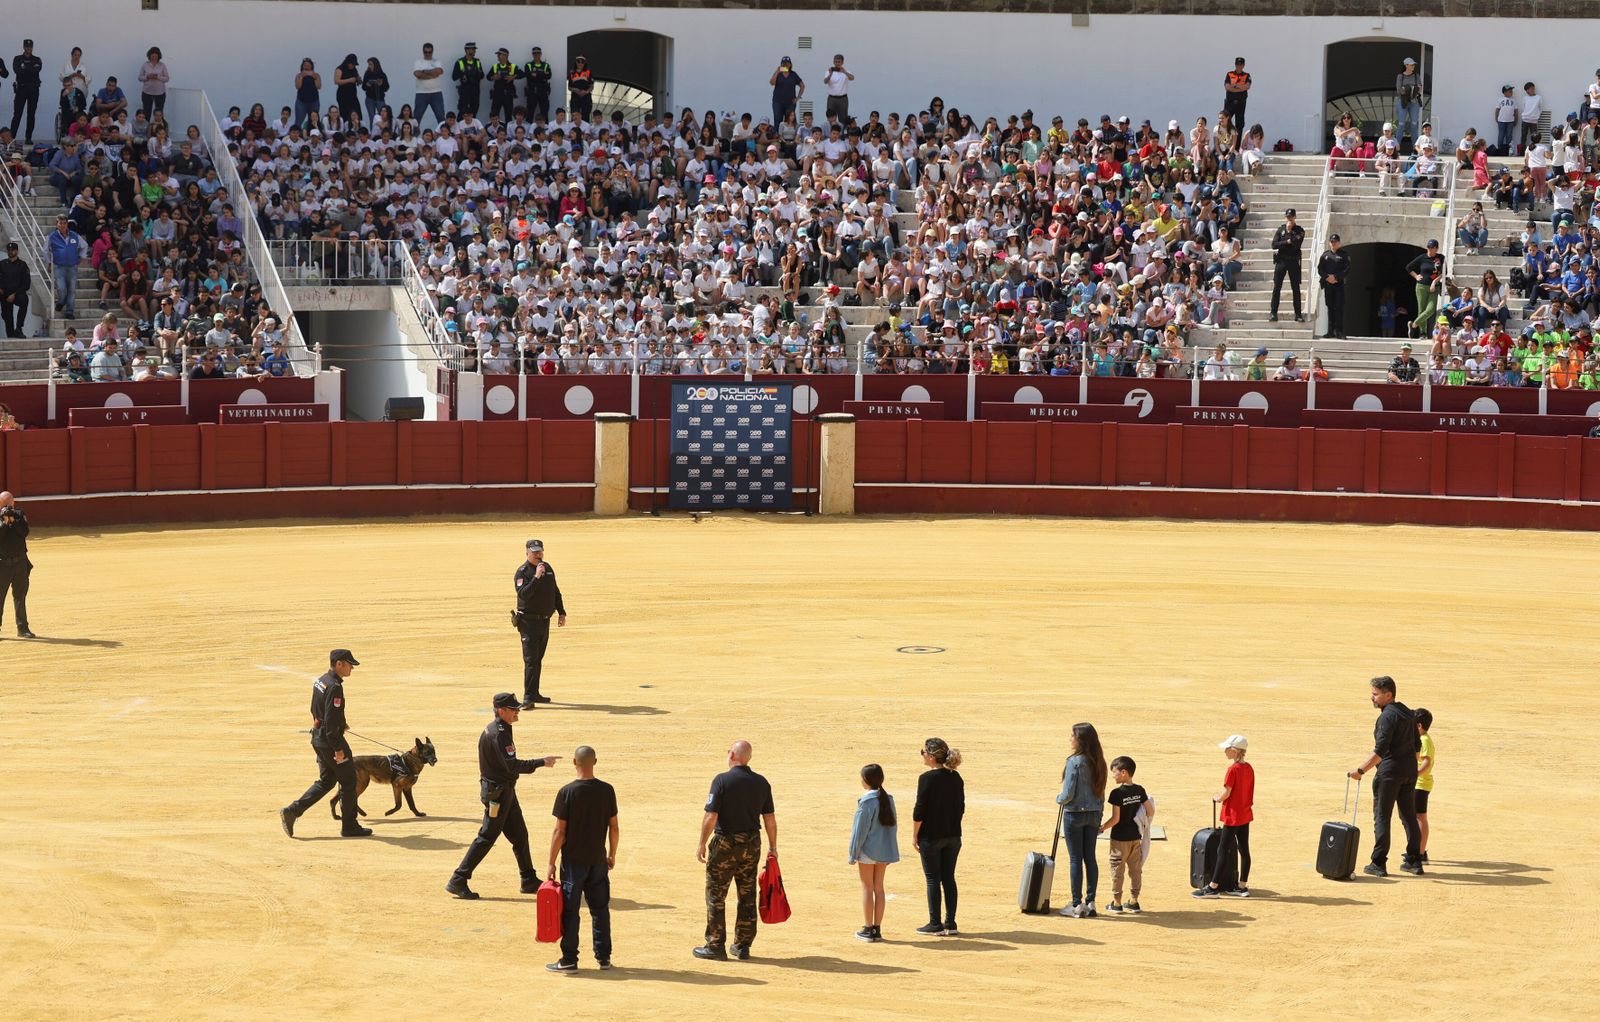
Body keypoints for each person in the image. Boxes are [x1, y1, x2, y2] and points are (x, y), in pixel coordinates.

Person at [448, 692, 560, 899]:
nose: (518, 711)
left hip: (504, 791)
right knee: (487, 836)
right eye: (513, 709)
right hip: (498, 794)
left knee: (519, 834)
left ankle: (528, 878)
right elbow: (512, 766)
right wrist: (541, 762)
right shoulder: (498, 734)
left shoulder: (500, 729)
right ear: (501, 711)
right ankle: (458, 879)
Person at [695, 739, 777, 961]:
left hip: (725, 843)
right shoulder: (761, 783)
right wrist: (773, 847)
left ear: (732, 755)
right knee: (747, 894)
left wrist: (702, 842)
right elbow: (769, 818)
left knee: (716, 895)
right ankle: (742, 946)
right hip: (751, 843)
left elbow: (711, 816)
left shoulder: (722, 780)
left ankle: (715, 945)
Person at [278, 650, 369, 838]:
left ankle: (292, 811)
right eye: (349, 664)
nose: (352, 668)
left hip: (318, 738)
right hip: (330, 741)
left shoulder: (321, 680)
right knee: (349, 780)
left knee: (327, 781)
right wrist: (338, 749)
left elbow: (315, 709)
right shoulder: (335, 686)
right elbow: (331, 718)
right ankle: (349, 826)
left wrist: (338, 724)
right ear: (338, 664)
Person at [546, 745, 619, 973]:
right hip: (597, 860)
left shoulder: (567, 792)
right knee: (600, 910)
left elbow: (560, 831)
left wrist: (551, 861)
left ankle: (569, 959)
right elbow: (614, 827)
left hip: (573, 862)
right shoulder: (607, 790)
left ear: (574, 762)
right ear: (594, 762)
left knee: (570, 911)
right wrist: (611, 854)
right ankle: (603, 957)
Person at [1347, 675, 1424, 877]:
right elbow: (1418, 746)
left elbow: (1380, 751)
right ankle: (1414, 861)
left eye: (1375, 694)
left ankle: (1378, 863)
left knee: (1382, 816)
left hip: (1390, 774)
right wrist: (1406, 765)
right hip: (1409, 772)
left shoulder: (1387, 717)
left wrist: (1360, 770)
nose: (1372, 698)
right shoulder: (1409, 713)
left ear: (1388, 695)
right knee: (1408, 815)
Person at [912, 737, 964, 937]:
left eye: (923, 752)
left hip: (931, 837)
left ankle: (935, 924)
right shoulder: (956, 777)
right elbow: (961, 808)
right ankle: (950, 923)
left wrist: (915, 834)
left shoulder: (926, 778)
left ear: (932, 757)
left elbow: (920, 810)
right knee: (948, 878)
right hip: (953, 836)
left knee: (933, 879)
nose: (922, 755)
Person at [1054, 722, 1107, 919]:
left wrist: (1058, 799)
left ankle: (1076, 904)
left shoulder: (1074, 762)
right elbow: (1101, 792)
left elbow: (1068, 794)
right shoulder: (1099, 761)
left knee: (1075, 858)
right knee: (1090, 857)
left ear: (1081, 740)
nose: (1070, 739)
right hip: (1094, 814)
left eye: (1072, 736)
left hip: (1074, 814)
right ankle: (1091, 902)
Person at [1195, 735, 1254, 898]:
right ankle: (1241, 886)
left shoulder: (1232, 770)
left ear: (1234, 751)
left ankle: (1213, 887)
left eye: (1227, 749)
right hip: (1245, 813)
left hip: (1232, 815)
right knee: (1244, 849)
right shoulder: (1248, 768)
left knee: (1223, 849)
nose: (1225, 751)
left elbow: (1226, 793)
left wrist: (1217, 798)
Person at [848, 763, 899, 943]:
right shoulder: (888, 799)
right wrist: (890, 851)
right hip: (884, 851)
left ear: (865, 780)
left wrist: (853, 854)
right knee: (879, 887)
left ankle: (868, 928)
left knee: (867, 888)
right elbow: (893, 828)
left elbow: (859, 832)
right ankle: (877, 928)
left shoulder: (867, 802)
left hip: (868, 851)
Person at [514, 538, 567, 709]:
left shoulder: (548, 568)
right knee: (530, 660)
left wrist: (561, 611)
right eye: (534, 552)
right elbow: (523, 594)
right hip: (528, 622)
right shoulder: (522, 572)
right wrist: (536, 578)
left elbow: (555, 591)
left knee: (538, 658)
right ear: (527, 553)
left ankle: (535, 692)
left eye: (540, 551)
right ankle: (528, 697)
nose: (538, 555)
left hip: (544, 621)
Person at [1103, 756, 1150, 914]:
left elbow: (1115, 819)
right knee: (1135, 869)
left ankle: (1117, 903)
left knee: (1117, 869)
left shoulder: (1117, 793)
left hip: (1119, 838)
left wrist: (1102, 827)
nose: (1113, 775)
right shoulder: (1139, 790)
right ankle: (1134, 901)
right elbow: (1149, 811)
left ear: (1123, 772)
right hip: (1135, 837)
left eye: (1114, 772)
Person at [0, 491, 34, 638]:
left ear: (13, 503)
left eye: (9, 504)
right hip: (2, 564)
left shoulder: (20, 515)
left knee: (20, 595)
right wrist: (5, 523)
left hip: (19, 562)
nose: (8, 507)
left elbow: (24, 533)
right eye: (4, 505)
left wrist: (13, 521)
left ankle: (22, 628)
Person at [1269, 208, 1304, 322]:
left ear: (1295, 217)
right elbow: (1274, 245)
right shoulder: (1281, 229)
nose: (1289, 219)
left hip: (1293, 261)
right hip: (1281, 261)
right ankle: (1273, 313)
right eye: (1288, 217)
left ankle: (1298, 314)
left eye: (1291, 217)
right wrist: (1287, 241)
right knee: (1277, 287)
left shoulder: (1300, 230)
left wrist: (1289, 235)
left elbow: (1296, 244)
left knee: (1296, 288)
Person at [9, 39, 43, 143]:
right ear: (23, 47)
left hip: (33, 89)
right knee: (17, 114)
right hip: (21, 89)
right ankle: (12, 138)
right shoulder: (17, 59)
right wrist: (30, 68)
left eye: (30, 47)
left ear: (32, 47)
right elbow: (17, 71)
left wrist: (25, 69)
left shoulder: (37, 59)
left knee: (31, 114)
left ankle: (28, 138)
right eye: (27, 46)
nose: (28, 48)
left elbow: (36, 70)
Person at [1409, 239, 1445, 336]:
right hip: (1421, 286)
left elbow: (1444, 273)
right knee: (1421, 309)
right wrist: (1416, 276)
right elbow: (1409, 267)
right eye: (1428, 247)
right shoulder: (1422, 257)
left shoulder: (1441, 258)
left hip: (1434, 287)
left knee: (1430, 309)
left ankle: (1414, 324)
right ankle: (1422, 332)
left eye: (1432, 247)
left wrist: (1434, 282)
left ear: (1437, 248)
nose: (1429, 249)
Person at [1317, 233, 1350, 338]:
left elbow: (1347, 269)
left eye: (1335, 242)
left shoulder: (1344, 255)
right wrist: (1327, 277)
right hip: (1328, 285)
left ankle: (1339, 332)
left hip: (1338, 285)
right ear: (1329, 243)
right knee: (1330, 307)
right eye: (1331, 242)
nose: (1333, 244)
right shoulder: (1325, 255)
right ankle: (1330, 331)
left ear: (1339, 243)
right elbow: (1320, 269)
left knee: (1339, 308)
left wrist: (1335, 277)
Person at [1414, 708, 1435, 865]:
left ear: (1419, 726)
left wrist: (1414, 774)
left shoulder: (1424, 740)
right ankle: (1419, 850)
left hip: (1420, 784)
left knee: (1420, 817)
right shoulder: (1423, 739)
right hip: (1420, 783)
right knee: (1417, 817)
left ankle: (1420, 853)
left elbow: (1426, 762)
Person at [412, 42, 446, 127]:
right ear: (422, 52)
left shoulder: (437, 61)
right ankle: (413, 138)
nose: (427, 54)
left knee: (441, 118)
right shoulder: (418, 62)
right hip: (421, 93)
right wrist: (432, 75)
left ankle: (444, 138)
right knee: (416, 119)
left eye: (429, 52)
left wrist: (424, 71)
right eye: (425, 52)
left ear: (432, 52)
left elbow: (439, 71)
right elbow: (417, 74)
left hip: (436, 93)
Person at [0, 242, 29, 339]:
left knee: (24, 300)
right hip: (3, 294)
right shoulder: (2, 264)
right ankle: (11, 334)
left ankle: (19, 328)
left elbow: (26, 284)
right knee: (6, 316)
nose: (10, 252)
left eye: (12, 250)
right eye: (9, 250)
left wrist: (14, 294)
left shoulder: (22, 265)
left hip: (17, 294)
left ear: (17, 251)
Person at [1395, 57, 1422, 148]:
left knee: (1414, 124)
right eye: (1412, 65)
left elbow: (1419, 89)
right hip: (1403, 102)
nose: (1413, 66)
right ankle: (1396, 147)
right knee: (1401, 124)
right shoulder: (1400, 76)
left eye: (1414, 65)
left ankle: (1416, 148)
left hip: (1414, 102)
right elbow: (1399, 90)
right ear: (1406, 65)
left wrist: (1406, 88)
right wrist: (1411, 88)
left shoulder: (1416, 75)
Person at [136, 46, 169, 122]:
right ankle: (146, 129)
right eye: (152, 56)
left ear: (158, 56)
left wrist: (158, 77)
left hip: (160, 93)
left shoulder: (162, 65)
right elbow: (139, 77)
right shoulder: (145, 65)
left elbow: (167, 78)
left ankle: (160, 131)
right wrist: (147, 77)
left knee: (159, 112)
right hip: (147, 93)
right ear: (149, 56)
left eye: (156, 56)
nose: (154, 57)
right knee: (146, 112)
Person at [770, 56, 803, 128]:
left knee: (789, 120)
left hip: (790, 103)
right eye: (784, 63)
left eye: (787, 63)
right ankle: (777, 136)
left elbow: (802, 86)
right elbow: (772, 83)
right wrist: (777, 71)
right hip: (778, 102)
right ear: (781, 64)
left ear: (790, 64)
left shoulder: (793, 74)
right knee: (777, 120)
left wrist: (798, 97)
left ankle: (788, 137)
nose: (786, 65)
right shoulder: (778, 74)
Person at [452, 42, 483, 118]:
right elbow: (454, 77)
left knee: (474, 112)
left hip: (475, 91)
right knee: (463, 112)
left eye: (474, 49)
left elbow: (482, 76)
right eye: (472, 49)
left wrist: (477, 72)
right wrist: (463, 73)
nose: (474, 51)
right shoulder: (460, 62)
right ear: (467, 50)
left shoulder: (477, 62)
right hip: (465, 91)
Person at [488, 48, 518, 124]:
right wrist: (493, 77)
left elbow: (522, 74)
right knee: (494, 114)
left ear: (505, 56)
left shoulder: (512, 66)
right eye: (498, 54)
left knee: (508, 114)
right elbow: (488, 77)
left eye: (499, 54)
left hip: (508, 94)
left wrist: (513, 77)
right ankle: (496, 132)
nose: (497, 56)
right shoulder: (495, 66)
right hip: (497, 94)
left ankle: (508, 132)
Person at [522, 47, 552, 121]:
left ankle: (545, 131)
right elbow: (529, 76)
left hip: (543, 91)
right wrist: (542, 74)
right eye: (534, 53)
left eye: (538, 53)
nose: (536, 55)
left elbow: (549, 76)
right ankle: (529, 131)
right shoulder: (528, 65)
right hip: (532, 91)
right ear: (532, 54)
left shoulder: (546, 65)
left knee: (544, 113)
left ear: (541, 54)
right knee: (529, 113)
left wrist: (536, 74)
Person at [822, 54, 853, 125]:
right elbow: (825, 81)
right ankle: (831, 134)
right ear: (833, 62)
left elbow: (852, 78)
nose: (837, 63)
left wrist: (844, 72)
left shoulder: (846, 71)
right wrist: (830, 74)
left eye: (839, 62)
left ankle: (842, 134)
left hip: (843, 99)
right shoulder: (828, 72)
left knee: (843, 118)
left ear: (842, 62)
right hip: (832, 98)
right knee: (831, 117)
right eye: (835, 62)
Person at [1223, 57, 1251, 132]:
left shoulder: (1247, 75)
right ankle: (1224, 143)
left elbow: (1247, 86)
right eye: (1237, 64)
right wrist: (1240, 88)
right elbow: (1227, 87)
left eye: (1241, 64)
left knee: (1240, 124)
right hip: (1229, 103)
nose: (1239, 66)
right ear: (1235, 65)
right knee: (1225, 123)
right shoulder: (1229, 74)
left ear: (1244, 65)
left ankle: (1237, 144)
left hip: (1241, 103)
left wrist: (1235, 86)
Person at [1493, 84, 1519, 156]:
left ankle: (1509, 151)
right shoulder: (1500, 100)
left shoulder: (1514, 100)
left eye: (1511, 91)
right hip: (1501, 121)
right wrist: (1496, 118)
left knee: (1509, 136)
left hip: (1510, 121)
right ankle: (1500, 150)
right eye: (1509, 91)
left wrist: (1516, 120)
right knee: (1501, 135)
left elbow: (1516, 111)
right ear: (1504, 92)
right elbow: (1497, 110)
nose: (1511, 92)